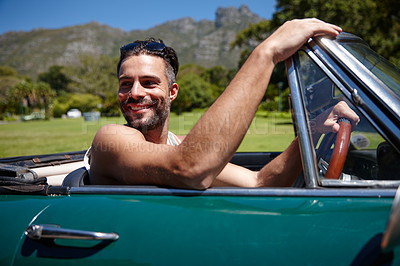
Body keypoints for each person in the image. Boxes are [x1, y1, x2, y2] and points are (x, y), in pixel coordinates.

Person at [89, 18, 359, 189]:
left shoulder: (180, 145)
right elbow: (189, 168)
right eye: (126, 84)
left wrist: (311, 132)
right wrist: (268, 53)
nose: (134, 92)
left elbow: (259, 182)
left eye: (148, 82)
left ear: (172, 92)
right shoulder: (110, 140)